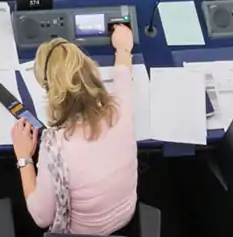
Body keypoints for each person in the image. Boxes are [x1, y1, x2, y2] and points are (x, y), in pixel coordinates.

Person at [13, 35, 141, 237]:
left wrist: (24, 158)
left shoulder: (55, 147)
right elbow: (123, 75)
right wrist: (123, 49)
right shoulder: (121, 108)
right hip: (125, 221)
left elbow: (41, 217)